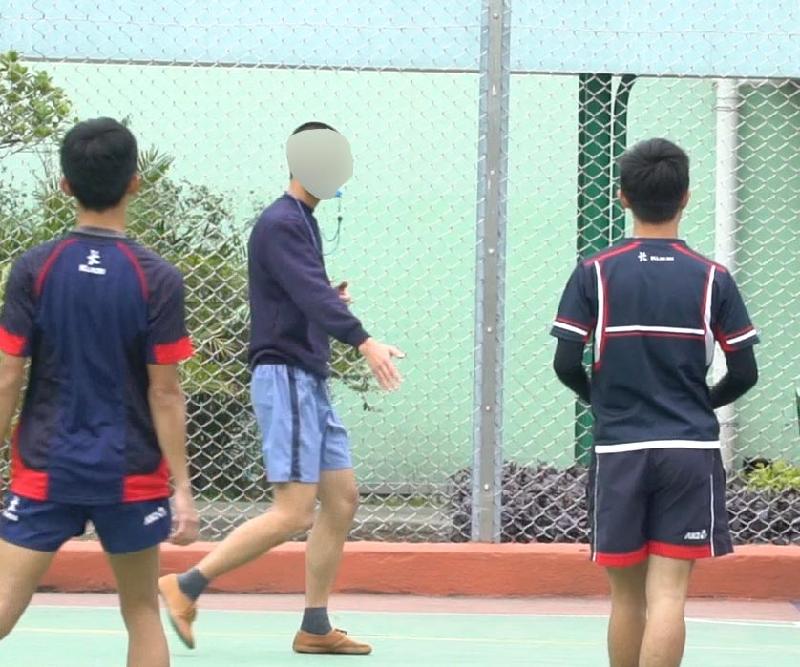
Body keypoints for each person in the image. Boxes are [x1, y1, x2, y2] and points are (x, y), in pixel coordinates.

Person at [160, 121, 403, 656]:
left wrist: (327, 301)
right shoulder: (281, 222)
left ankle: (314, 625)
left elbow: (305, 293)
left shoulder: (301, 221)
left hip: (308, 376)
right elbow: (309, 297)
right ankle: (185, 585)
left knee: (341, 499)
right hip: (286, 375)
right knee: (294, 511)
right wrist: (363, 340)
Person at [551, 138, 759, 667]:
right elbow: (744, 372)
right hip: (688, 448)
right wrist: (701, 404)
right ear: (686, 197)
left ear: (621, 197)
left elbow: (565, 363)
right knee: (669, 596)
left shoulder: (594, 271)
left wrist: (603, 402)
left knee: (626, 598)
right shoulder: (713, 277)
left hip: (620, 449)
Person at [0, 118, 199, 667]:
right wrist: (182, 488)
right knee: (140, 612)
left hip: (45, 469)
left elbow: (8, 377)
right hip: (131, 473)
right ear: (135, 183)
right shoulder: (158, 277)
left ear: (64, 185)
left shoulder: (34, 269)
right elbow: (166, 393)